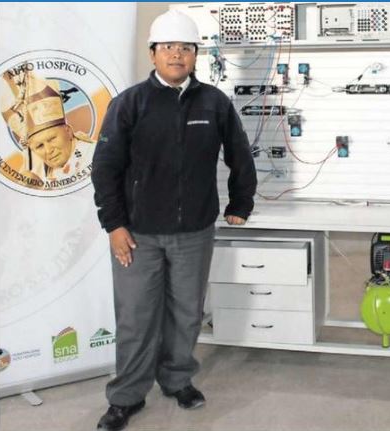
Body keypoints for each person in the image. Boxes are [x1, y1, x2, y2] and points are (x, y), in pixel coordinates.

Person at [91, 9, 257, 431]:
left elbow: (239, 154)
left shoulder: (214, 103)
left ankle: (177, 380)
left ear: (196, 55)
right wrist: (114, 225)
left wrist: (241, 201)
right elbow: (104, 168)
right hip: (138, 234)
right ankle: (126, 397)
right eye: (168, 47)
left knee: (186, 313)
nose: (177, 55)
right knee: (136, 317)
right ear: (153, 53)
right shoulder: (129, 103)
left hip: (194, 232)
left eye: (186, 48)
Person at [0, 70, 95, 185]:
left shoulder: (94, 155)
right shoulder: (38, 168)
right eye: (39, 146)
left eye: (52, 139)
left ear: (69, 131)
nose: (49, 150)